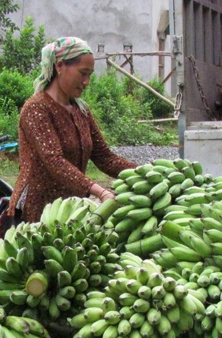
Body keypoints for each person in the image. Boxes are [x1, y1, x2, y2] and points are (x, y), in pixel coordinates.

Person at [9, 37, 136, 223]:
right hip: (37, 210)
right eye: (83, 73)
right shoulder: (36, 109)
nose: (87, 82)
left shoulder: (81, 111)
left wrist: (145, 172)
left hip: (72, 209)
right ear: (60, 66)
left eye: (90, 75)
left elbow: (105, 157)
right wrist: (99, 191)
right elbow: (54, 161)